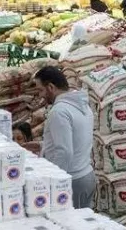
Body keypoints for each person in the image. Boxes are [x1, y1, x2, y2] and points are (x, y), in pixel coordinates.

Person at [35, 65, 96, 209]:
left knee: (72, 227)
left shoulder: (59, 111)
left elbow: (64, 152)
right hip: (85, 175)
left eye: (40, 90)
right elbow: (77, 140)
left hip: (72, 181)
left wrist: (53, 182)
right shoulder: (82, 104)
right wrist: (43, 147)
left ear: (50, 87)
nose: (40, 96)